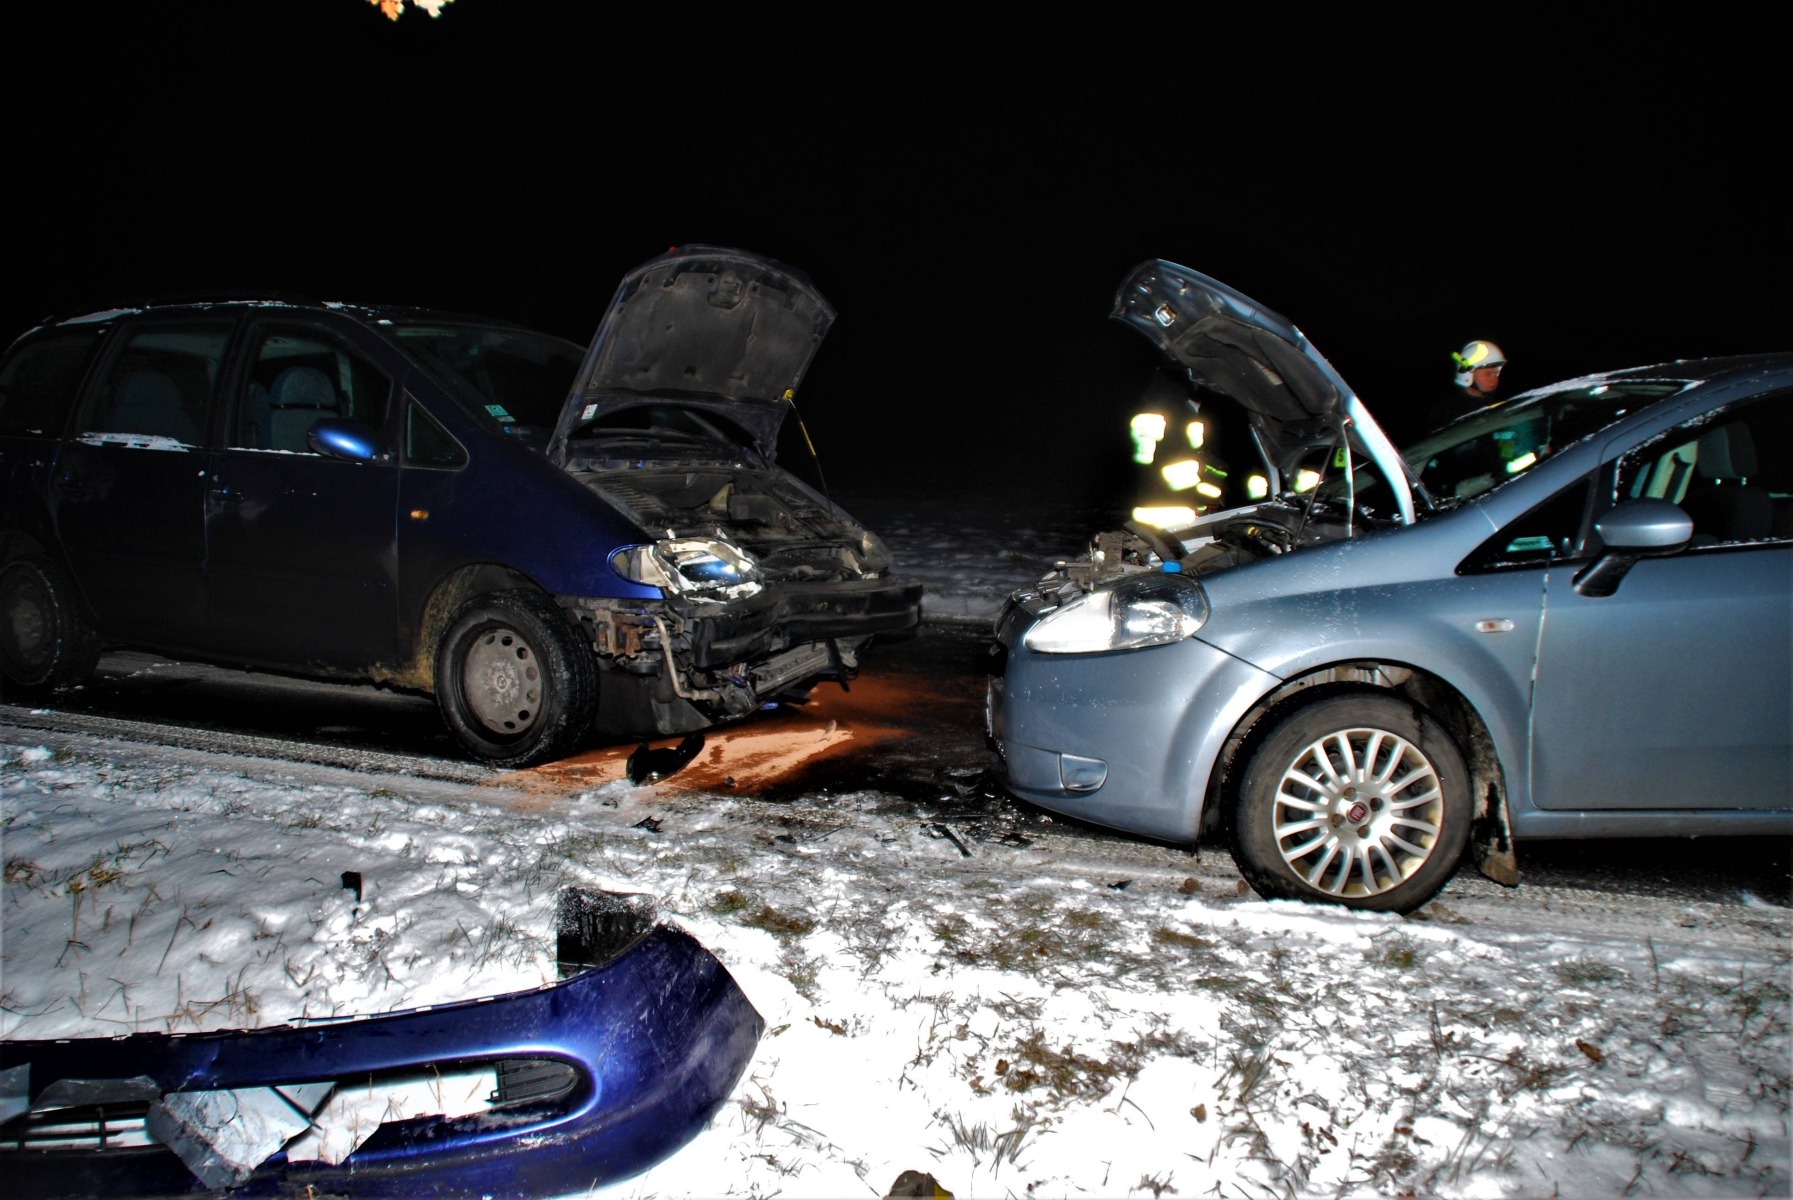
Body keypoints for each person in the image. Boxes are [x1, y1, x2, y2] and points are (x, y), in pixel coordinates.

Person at [1427, 339, 1507, 430]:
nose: (1494, 379)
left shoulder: (1501, 407)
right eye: (1488, 374)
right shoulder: (1445, 414)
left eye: (1496, 373)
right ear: (1468, 375)